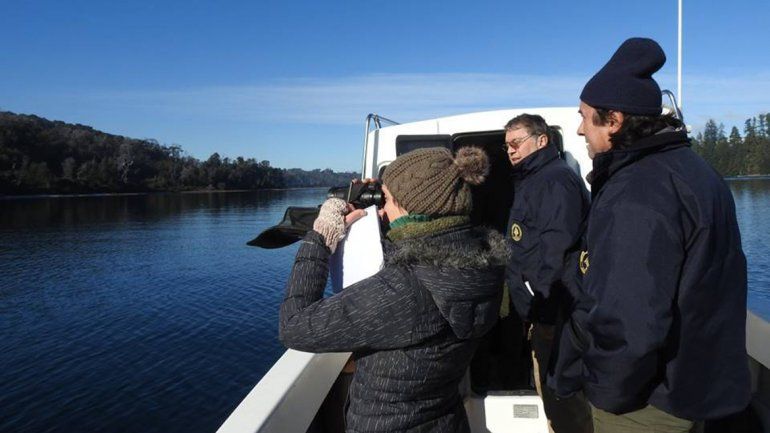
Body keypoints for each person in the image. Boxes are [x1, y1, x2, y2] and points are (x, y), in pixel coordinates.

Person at [549, 37, 751, 433]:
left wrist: (605, 395)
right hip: (699, 386)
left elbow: (630, 320)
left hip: (649, 403)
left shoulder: (636, 192)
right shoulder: (694, 171)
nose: (577, 128)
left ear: (614, 120)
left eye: (585, 116)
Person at [279, 146, 509, 432]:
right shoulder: (482, 263)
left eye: (386, 200)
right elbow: (424, 257)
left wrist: (320, 238)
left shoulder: (405, 291)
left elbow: (295, 326)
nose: (383, 210)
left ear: (412, 208)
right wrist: (380, 224)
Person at [502, 113, 593, 433]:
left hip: (554, 311)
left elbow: (556, 251)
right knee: (553, 393)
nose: (511, 151)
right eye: (507, 146)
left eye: (516, 143)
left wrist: (539, 306)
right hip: (544, 308)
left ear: (542, 141)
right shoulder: (535, 179)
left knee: (561, 395)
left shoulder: (554, 180)